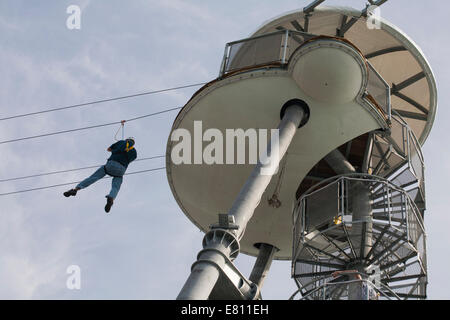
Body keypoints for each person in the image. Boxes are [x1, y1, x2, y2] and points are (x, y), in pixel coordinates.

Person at [63, 137, 137, 213]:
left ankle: (75, 189)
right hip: (121, 169)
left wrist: (115, 151)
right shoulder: (134, 152)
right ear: (133, 143)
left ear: (127, 139)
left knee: (94, 177)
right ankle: (111, 198)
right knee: (116, 186)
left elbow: (108, 149)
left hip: (111, 164)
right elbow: (130, 160)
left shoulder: (121, 142)